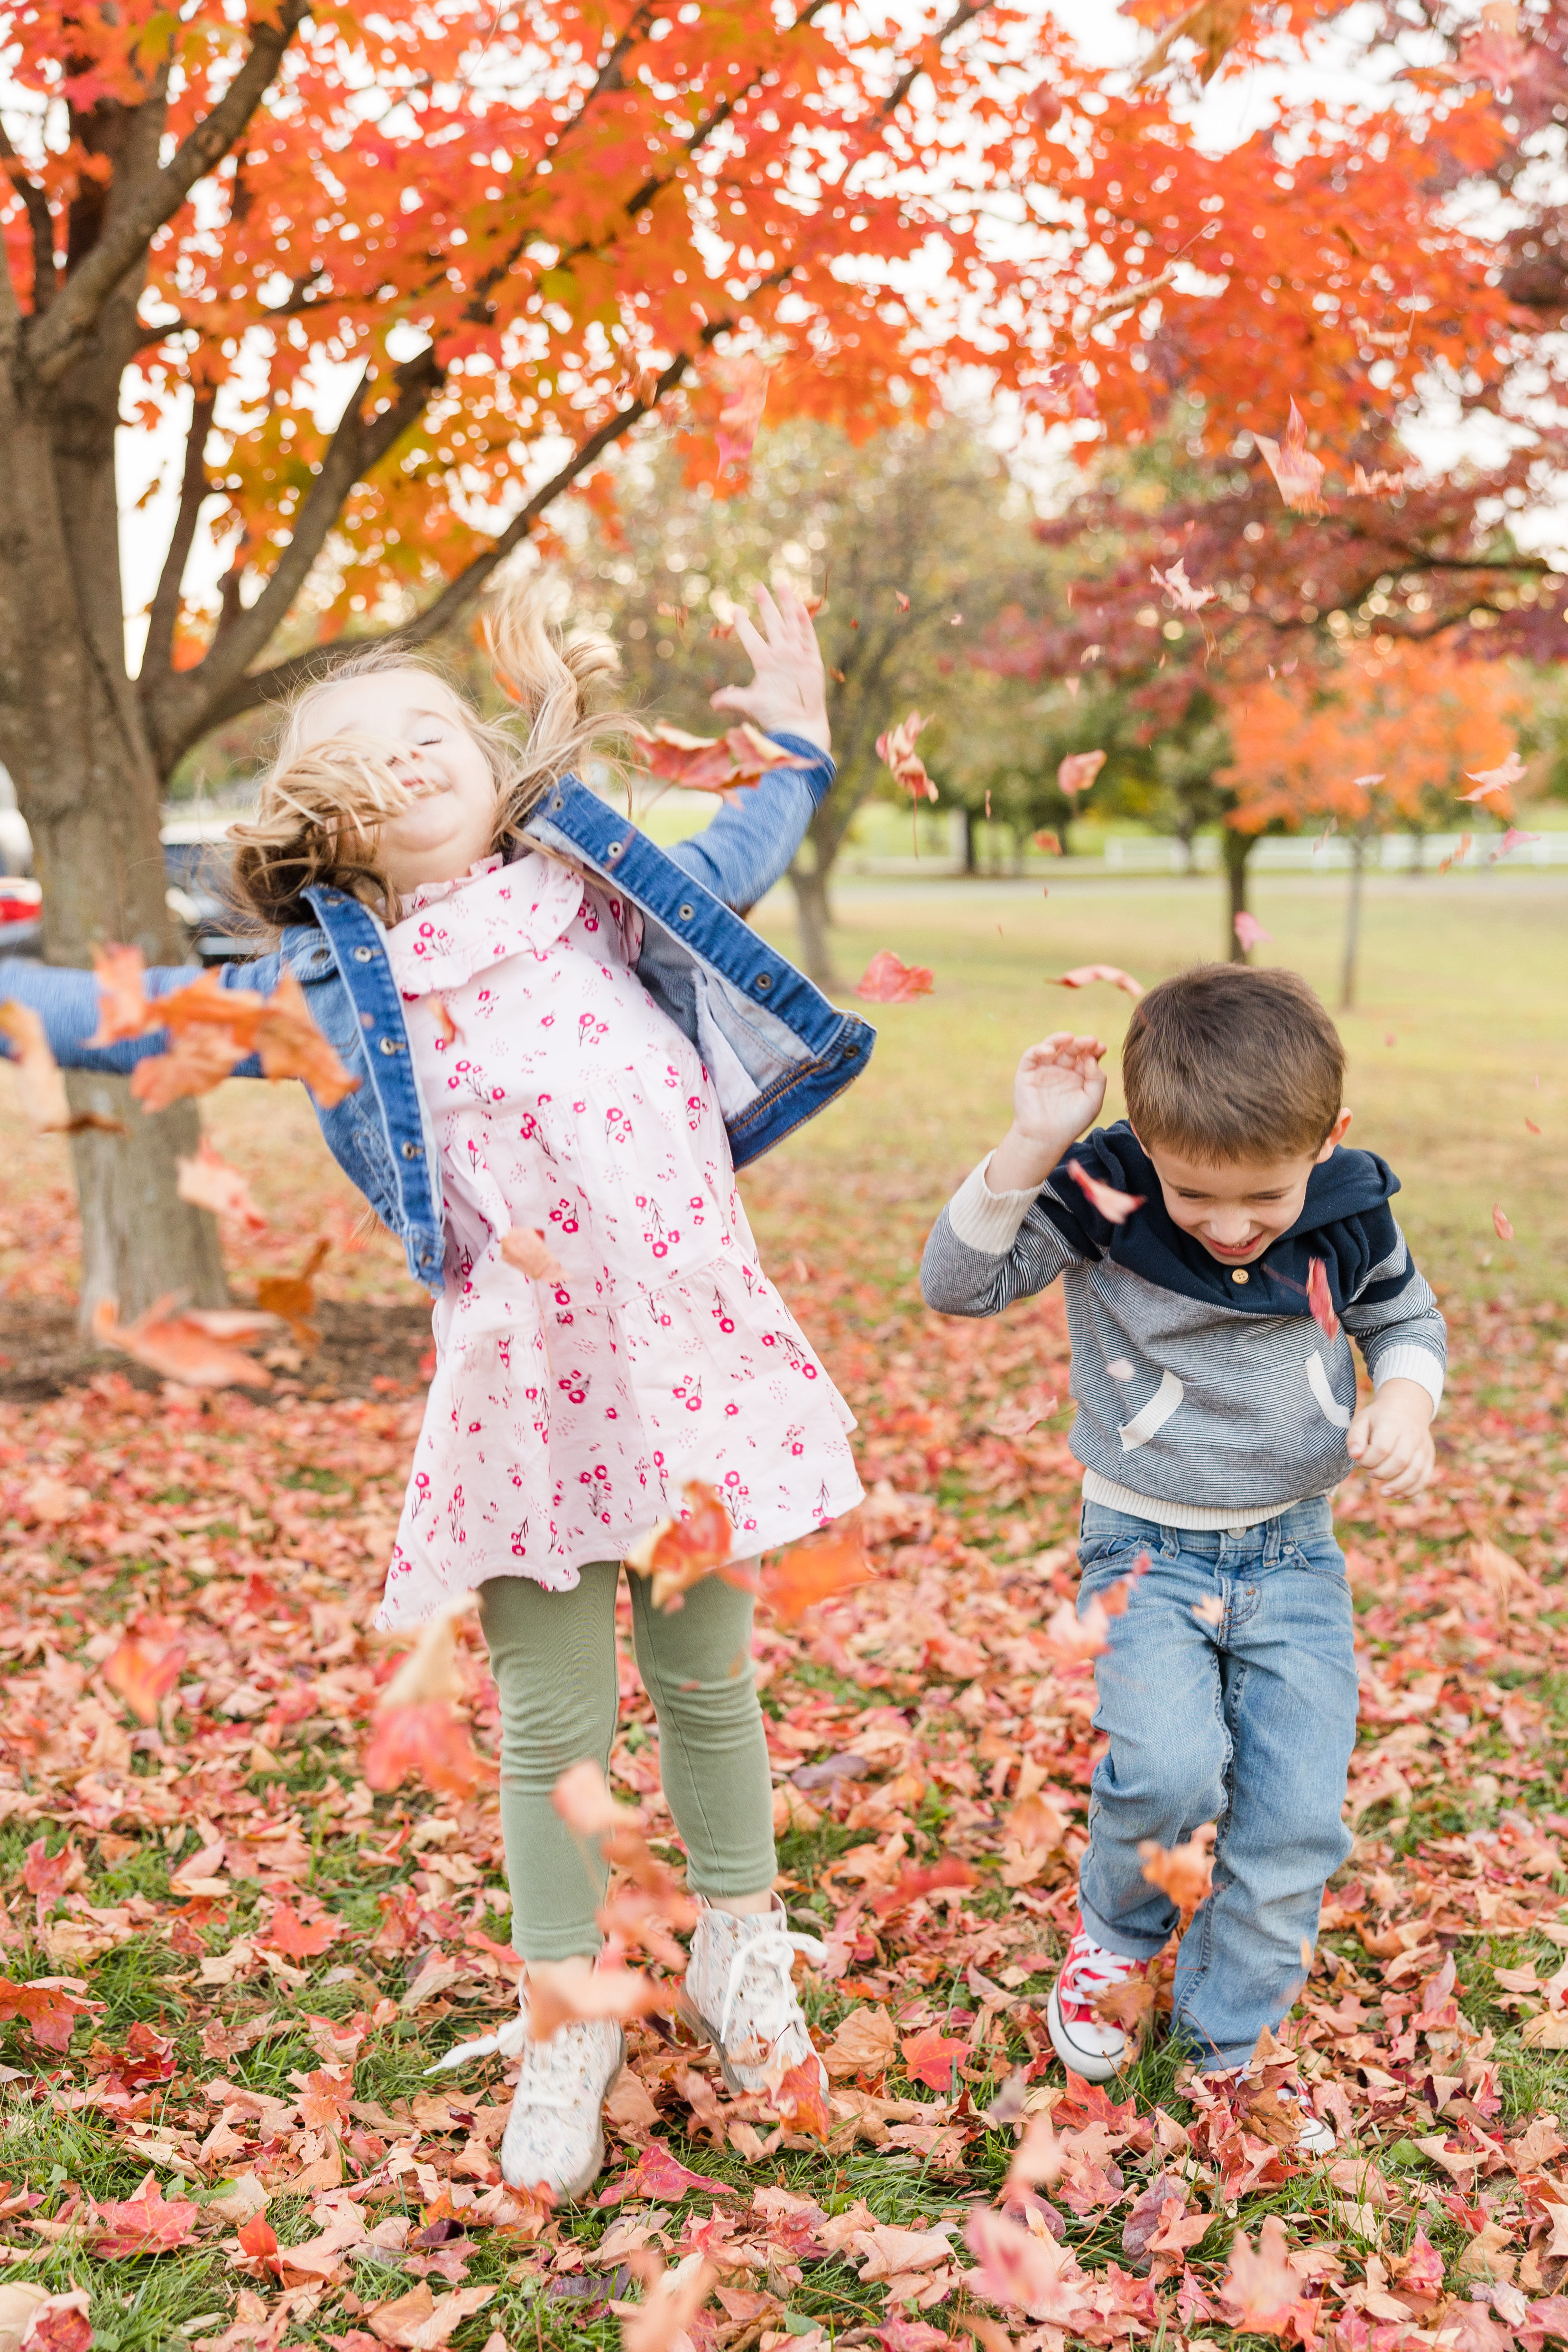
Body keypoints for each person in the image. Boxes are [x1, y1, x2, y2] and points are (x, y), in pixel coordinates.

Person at [0, 578, 871, 2199]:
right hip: (528, 1403)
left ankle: (740, 1954)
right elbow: (133, 1020)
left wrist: (800, 749)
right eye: (359, 759)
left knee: (704, 1685)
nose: (404, 763)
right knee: (553, 1718)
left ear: (487, 759)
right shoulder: (346, 992)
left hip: (683, 1363)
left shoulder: (598, 896)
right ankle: (567, 2017)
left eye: (427, 734)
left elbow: (735, 864)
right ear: (325, 825)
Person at [919, 964, 1444, 2146]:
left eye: (1263, 1193)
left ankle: (1230, 2046)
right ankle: (1114, 1932)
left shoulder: (1352, 1207)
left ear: (1330, 1139)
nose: (1227, 1224)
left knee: (1296, 1814)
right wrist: (1028, 1146)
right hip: (1143, 1544)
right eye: (1196, 1190)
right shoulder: (1104, 1187)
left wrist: (1406, 1400)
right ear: (1146, 1140)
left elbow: (1405, 1320)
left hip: (1296, 1556)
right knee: (1167, 1771)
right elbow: (958, 1286)